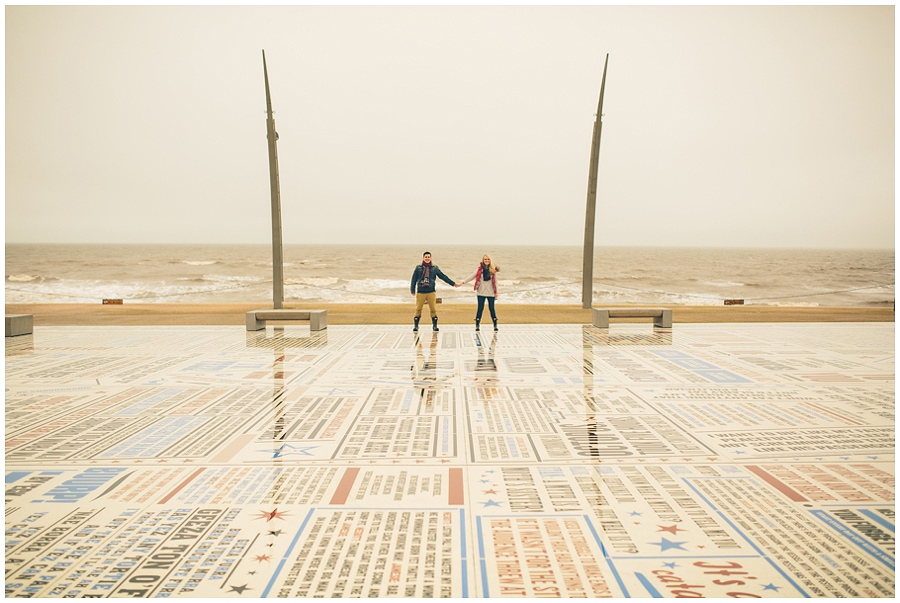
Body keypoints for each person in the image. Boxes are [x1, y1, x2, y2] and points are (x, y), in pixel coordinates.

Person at [410, 251, 459, 332]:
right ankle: (416, 326)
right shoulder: (418, 267)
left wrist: (453, 283)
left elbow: (443, 276)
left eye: (428, 257)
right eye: (426, 257)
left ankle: (434, 326)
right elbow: (414, 279)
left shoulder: (434, 268)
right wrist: (412, 290)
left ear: (431, 258)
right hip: (421, 292)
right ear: (423, 258)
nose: (427, 258)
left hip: (431, 291)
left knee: (433, 309)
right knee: (418, 309)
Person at [459, 253, 500, 331]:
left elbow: (496, 282)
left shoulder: (493, 270)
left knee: (492, 309)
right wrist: (463, 282)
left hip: (491, 292)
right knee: (480, 308)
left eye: (488, 259)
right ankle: (477, 325)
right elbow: (472, 276)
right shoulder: (479, 269)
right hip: (481, 292)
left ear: (490, 260)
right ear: (483, 260)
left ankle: (495, 325)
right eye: (485, 259)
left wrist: (496, 292)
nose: (486, 261)